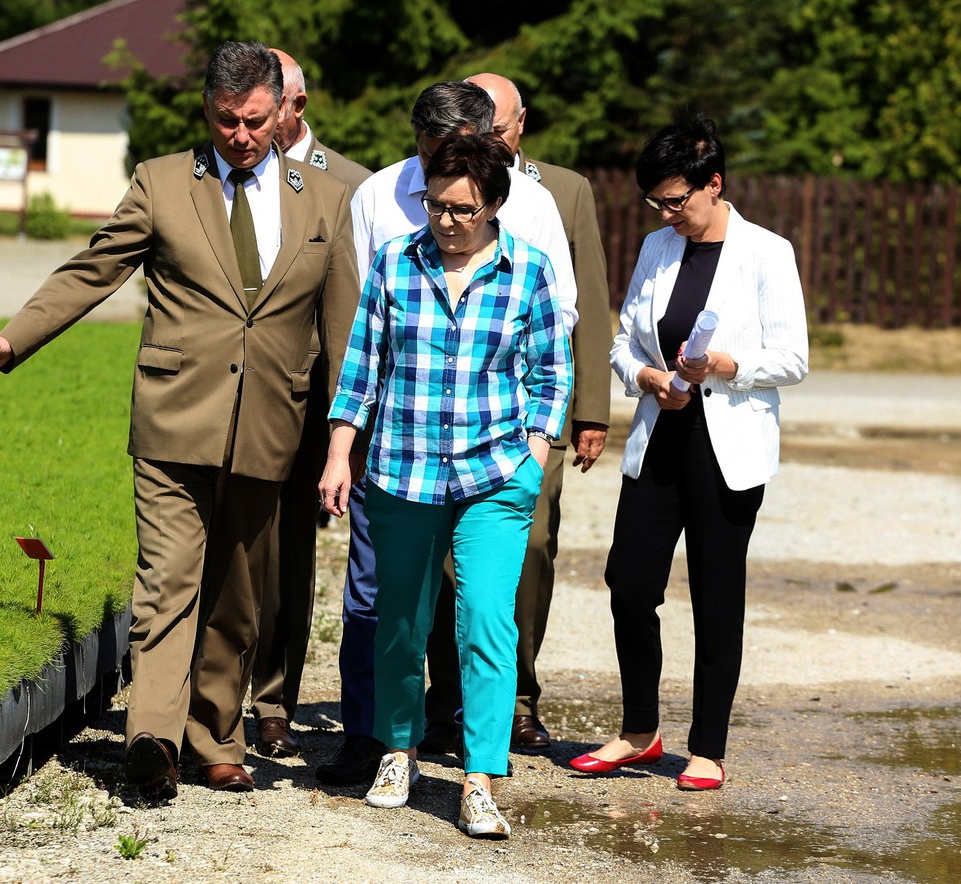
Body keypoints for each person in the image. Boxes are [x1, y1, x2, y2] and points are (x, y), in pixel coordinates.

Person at [0, 41, 360, 800]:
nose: (240, 136)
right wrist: (12, 339)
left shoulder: (322, 198)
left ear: (279, 112)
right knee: (166, 582)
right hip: (171, 423)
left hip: (270, 428)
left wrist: (342, 441)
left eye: (255, 121)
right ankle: (152, 740)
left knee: (238, 594)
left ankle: (217, 737)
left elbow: (343, 326)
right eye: (226, 121)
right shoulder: (161, 182)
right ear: (207, 109)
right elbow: (92, 269)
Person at [317, 79, 577, 786]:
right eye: (436, 205)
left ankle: (481, 775)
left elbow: (553, 373)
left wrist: (534, 453)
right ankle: (396, 751)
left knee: (487, 625)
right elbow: (360, 369)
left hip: (494, 476)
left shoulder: (529, 269)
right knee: (400, 624)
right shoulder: (395, 262)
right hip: (403, 472)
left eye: (462, 209)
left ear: (493, 204)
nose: (447, 220)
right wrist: (341, 453)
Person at [570, 113, 808, 790]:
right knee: (629, 583)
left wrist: (729, 365)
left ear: (714, 184)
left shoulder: (767, 252)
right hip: (659, 437)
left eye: (677, 200)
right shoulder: (655, 247)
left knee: (715, 592)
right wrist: (641, 377)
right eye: (656, 202)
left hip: (726, 446)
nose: (667, 213)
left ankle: (707, 747)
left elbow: (793, 358)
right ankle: (639, 731)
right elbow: (622, 340)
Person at [419, 72, 613, 754]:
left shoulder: (561, 190)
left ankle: (519, 696)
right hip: (447, 412)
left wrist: (591, 409)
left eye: (495, 130)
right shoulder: (438, 192)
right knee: (447, 560)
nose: (482, 142)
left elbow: (585, 301)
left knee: (528, 548)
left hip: (535, 411)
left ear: (519, 125)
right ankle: (448, 698)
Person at [249, 48, 371, 760]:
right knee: (231, 556)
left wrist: (341, 433)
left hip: (308, 405)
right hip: (236, 394)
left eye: (276, 102)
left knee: (289, 562)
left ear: (295, 106)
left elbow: (347, 316)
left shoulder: (351, 186)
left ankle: (273, 701)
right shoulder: (222, 175)